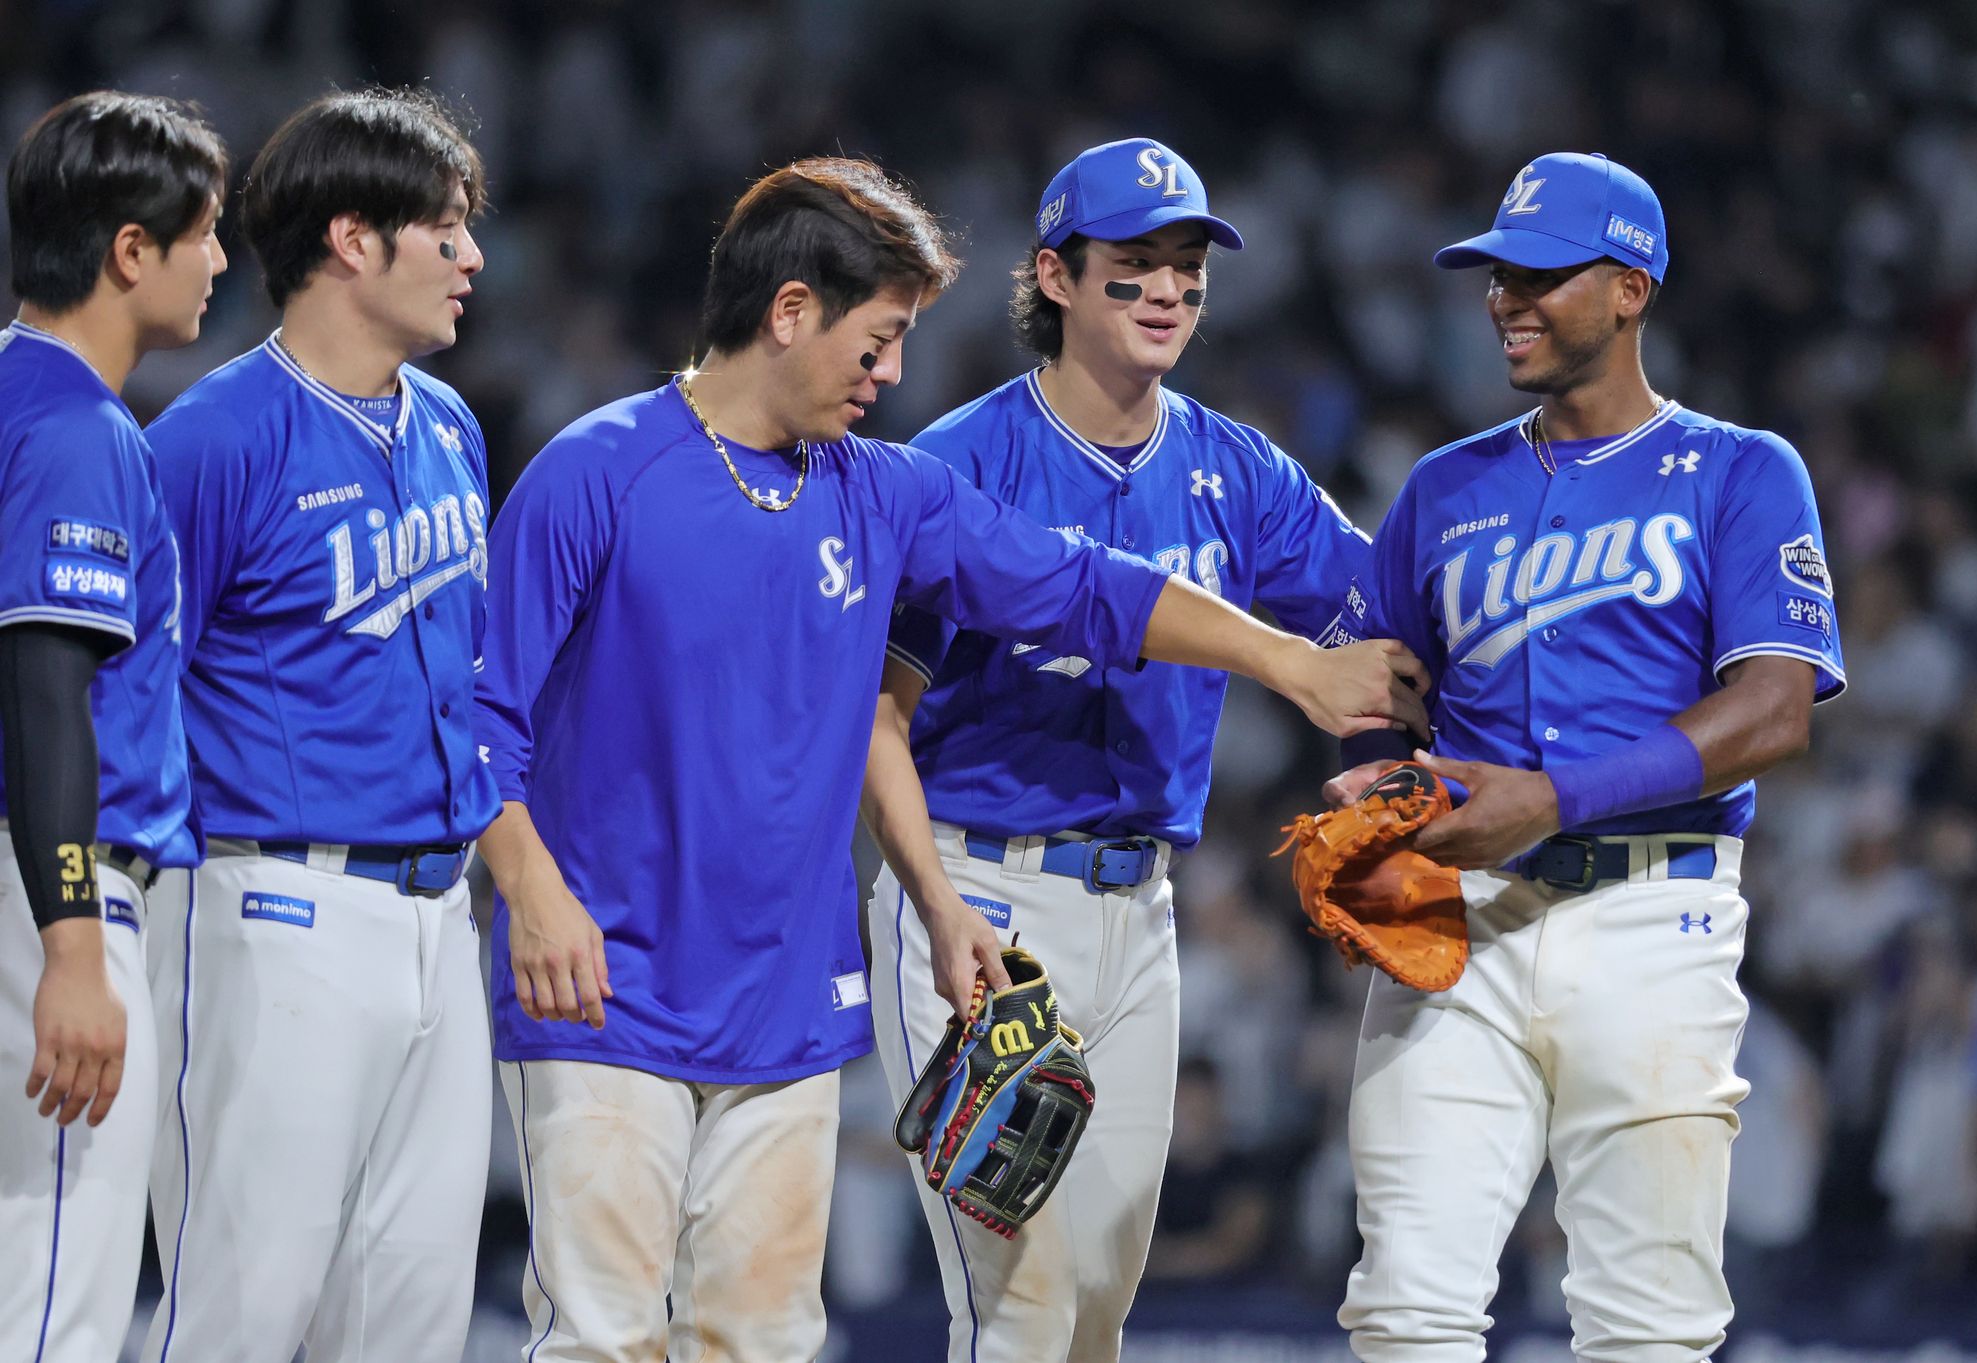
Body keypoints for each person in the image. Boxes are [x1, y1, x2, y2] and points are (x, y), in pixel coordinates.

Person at [473, 155, 1427, 1363]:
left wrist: (1295, 666)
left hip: (788, 999)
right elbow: (480, 716)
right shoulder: (595, 471)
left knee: (765, 1338)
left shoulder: (883, 490)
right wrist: (533, 891)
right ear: (788, 312)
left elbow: (1086, 589)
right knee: (606, 1341)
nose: (893, 373)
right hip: (607, 976)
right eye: (877, 341)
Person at [1327, 152, 1846, 1361]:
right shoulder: (1441, 485)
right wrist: (1366, 771)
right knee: (1403, 1308)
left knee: (1645, 1328)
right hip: (1458, 920)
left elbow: (1773, 708)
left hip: (1651, 916)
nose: (1506, 297)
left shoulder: (1739, 470)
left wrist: (1553, 798)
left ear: (1628, 287)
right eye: (1497, 274)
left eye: (1541, 276)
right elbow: (1373, 686)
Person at [857, 136, 1369, 1362]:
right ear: (1056, 276)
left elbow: (1385, 614)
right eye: (1134, 266)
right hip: (983, 895)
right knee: (1016, 1301)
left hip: (1140, 910)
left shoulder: (1237, 472)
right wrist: (932, 904)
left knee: (1095, 1307)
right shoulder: (957, 464)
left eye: (1187, 269)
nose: (1167, 294)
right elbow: (878, 719)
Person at [140, 89, 495, 1363]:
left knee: (409, 1322)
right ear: (353, 239)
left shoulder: (450, 426)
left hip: (439, 919)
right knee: (240, 1312)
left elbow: (471, 685)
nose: (471, 256)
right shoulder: (210, 438)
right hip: (274, 909)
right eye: (445, 228)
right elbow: (124, 691)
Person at [0, 90, 225, 1363]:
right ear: (128, 250)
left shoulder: (21, 398)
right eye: (200, 233)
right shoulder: (75, 425)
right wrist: (73, 945)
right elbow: (44, 689)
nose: (217, 261)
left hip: (29, 883)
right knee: (53, 1291)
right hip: (50, 891)